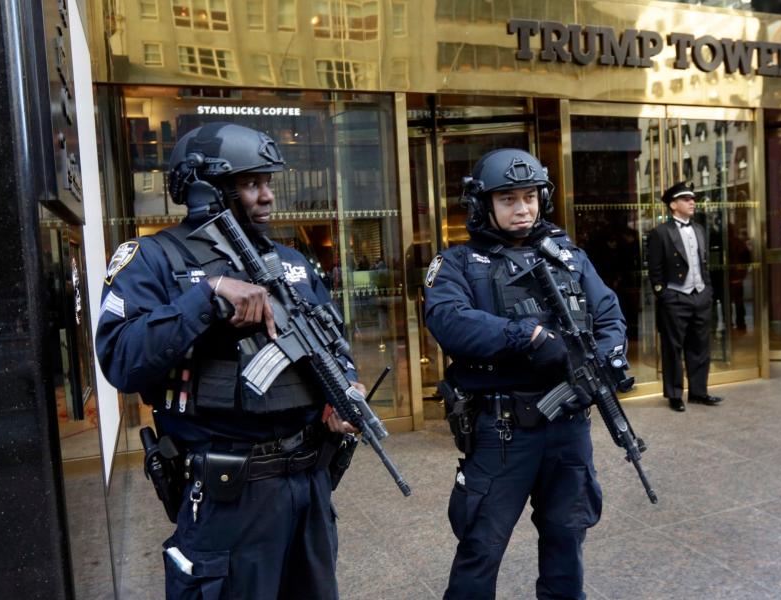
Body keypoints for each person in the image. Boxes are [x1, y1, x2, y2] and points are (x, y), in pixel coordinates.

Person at [95, 123, 362, 599]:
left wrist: (342, 392)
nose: (267, 197)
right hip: (226, 493)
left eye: (269, 183)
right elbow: (121, 357)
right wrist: (208, 296)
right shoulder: (153, 258)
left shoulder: (290, 261)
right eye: (251, 183)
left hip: (308, 485)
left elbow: (331, 342)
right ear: (206, 188)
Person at [424, 148, 627, 599]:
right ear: (483, 205)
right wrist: (528, 336)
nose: (523, 209)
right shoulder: (458, 263)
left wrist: (605, 364)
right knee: (481, 547)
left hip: (568, 426)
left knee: (566, 538)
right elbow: (450, 321)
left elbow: (610, 315)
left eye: (531, 197)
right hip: (503, 432)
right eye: (509, 199)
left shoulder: (567, 255)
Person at [646, 181, 724, 412]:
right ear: (673, 205)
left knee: (700, 347)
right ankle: (674, 395)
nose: (692, 202)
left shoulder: (699, 229)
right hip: (676, 298)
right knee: (673, 348)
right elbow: (655, 271)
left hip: (700, 296)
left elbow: (703, 264)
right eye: (686, 199)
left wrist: (707, 291)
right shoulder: (660, 233)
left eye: (693, 199)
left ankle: (699, 392)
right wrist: (665, 295)